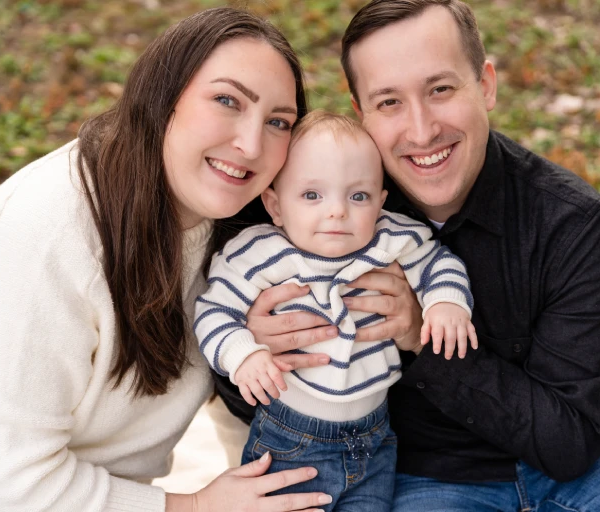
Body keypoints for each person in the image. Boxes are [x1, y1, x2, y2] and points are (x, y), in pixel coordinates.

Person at [213, 1, 600, 511]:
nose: (422, 130)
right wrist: (260, 346)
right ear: (361, 112)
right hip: (427, 473)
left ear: (486, 85)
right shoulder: (327, 207)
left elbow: (571, 442)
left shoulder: (571, 222)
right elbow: (244, 386)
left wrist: (419, 335)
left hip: (586, 458)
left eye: (440, 89)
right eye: (389, 101)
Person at [0, 7, 339, 512]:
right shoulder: (46, 236)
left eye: (278, 122)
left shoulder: (246, 224)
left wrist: (245, 359)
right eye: (226, 101)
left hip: (77, 485)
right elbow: (8, 486)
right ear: (162, 98)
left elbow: (245, 403)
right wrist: (198, 506)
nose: (250, 144)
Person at [195, 110, 476, 511]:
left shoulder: (389, 238)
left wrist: (445, 301)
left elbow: (438, 262)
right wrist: (243, 354)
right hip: (291, 439)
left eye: (358, 196)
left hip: (375, 439)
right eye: (312, 195)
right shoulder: (261, 252)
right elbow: (214, 310)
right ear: (275, 205)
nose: (337, 211)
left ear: (380, 203)